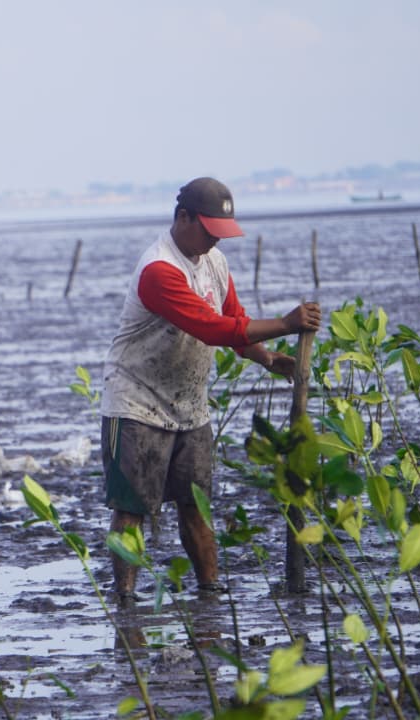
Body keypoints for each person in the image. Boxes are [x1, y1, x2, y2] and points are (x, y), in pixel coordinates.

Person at [99, 176, 321, 602]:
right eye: (209, 231)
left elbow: (234, 320)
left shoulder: (215, 263)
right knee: (132, 509)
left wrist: (266, 358)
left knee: (197, 505)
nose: (216, 242)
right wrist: (285, 324)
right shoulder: (158, 270)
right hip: (135, 402)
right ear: (183, 218)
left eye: (221, 233)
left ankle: (210, 590)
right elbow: (211, 328)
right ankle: (125, 598)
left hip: (189, 405)